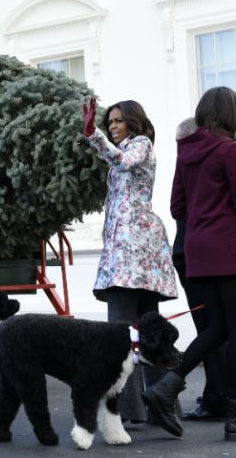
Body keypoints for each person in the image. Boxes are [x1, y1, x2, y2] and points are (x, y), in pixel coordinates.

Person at [142, 86, 236, 440]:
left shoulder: (186, 152)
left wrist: (202, 224)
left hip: (198, 250)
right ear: (234, 116)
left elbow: (177, 207)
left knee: (216, 329)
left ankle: (165, 388)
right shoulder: (229, 149)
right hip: (228, 249)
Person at [80, 98, 179, 424]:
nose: (113, 126)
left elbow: (122, 162)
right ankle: (146, 408)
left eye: (118, 121)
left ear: (134, 122)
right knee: (140, 331)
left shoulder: (141, 145)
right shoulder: (130, 149)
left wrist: (94, 135)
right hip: (130, 251)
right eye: (110, 122)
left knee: (126, 333)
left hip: (135, 251)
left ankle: (138, 409)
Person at [173, 117, 236, 421]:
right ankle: (223, 397)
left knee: (212, 330)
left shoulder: (191, 164)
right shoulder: (220, 156)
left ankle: (219, 397)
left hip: (193, 254)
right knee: (221, 330)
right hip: (211, 254)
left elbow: (178, 208)